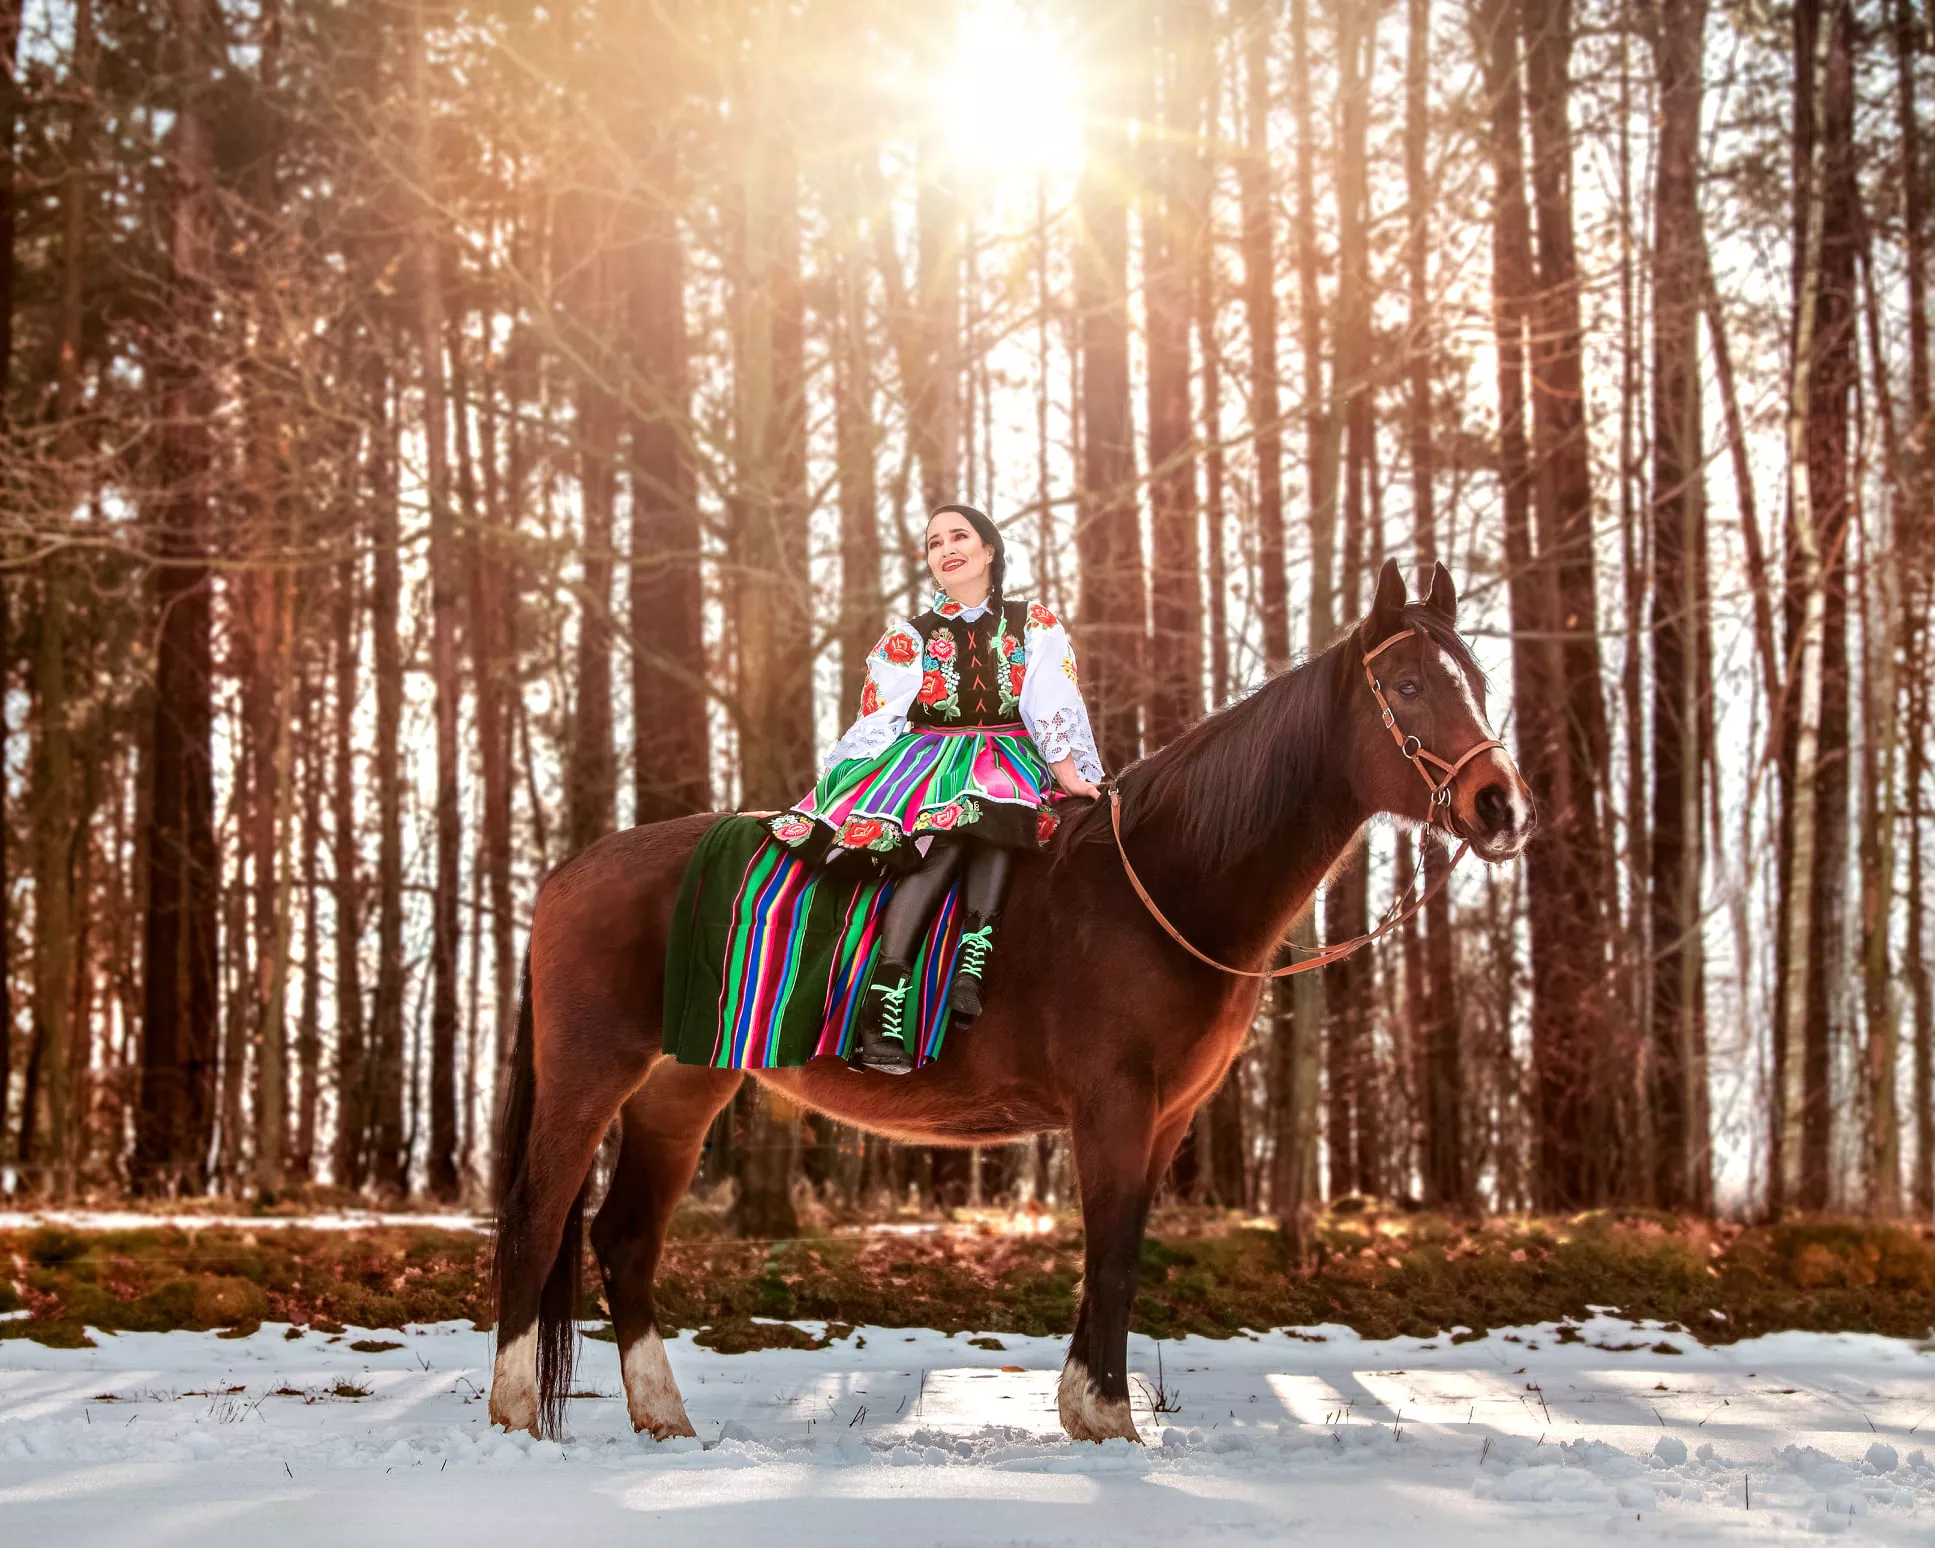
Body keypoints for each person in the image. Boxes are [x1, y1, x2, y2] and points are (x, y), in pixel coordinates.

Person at [765, 504, 1104, 1074]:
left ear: (989, 550)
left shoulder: (1034, 623)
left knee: (998, 812)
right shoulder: (909, 638)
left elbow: (1051, 699)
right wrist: (846, 777)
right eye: (933, 543)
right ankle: (886, 995)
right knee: (941, 834)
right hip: (928, 755)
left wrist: (1068, 770)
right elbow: (881, 715)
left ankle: (974, 957)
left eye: (959, 536)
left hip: (1008, 752)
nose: (945, 548)